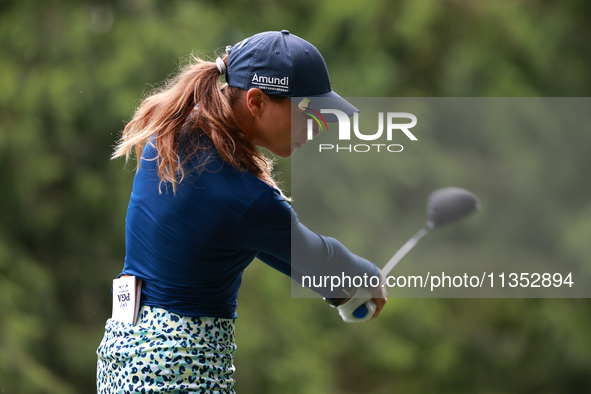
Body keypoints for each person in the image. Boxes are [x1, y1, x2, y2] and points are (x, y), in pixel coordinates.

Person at [96, 30, 387, 393]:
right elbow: (314, 257)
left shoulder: (170, 133)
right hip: (180, 374)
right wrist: (365, 277)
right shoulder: (248, 199)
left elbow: (278, 249)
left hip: (121, 364)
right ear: (256, 100)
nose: (318, 126)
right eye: (308, 111)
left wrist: (340, 290)